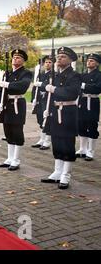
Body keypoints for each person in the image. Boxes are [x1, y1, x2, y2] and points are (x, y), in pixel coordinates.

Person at [40, 47, 81, 189]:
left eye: (63, 56)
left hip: (68, 112)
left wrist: (54, 89)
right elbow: (45, 89)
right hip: (54, 111)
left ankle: (66, 175)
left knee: (67, 143)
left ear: (70, 60)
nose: (59, 58)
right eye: (58, 56)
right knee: (56, 141)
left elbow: (72, 93)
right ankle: (57, 172)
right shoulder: (54, 75)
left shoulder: (74, 76)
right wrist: (46, 109)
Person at [0, 49, 33, 171]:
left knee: (17, 132)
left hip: (18, 104)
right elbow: (1, 91)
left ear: (23, 61)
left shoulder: (26, 73)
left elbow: (22, 87)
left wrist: (7, 85)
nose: (15, 59)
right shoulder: (7, 73)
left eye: (18, 57)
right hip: (7, 104)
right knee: (8, 132)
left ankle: (16, 160)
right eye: (14, 57)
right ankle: (9, 158)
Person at [76, 53, 101, 161]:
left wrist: (84, 86)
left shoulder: (99, 75)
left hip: (93, 101)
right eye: (88, 60)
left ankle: (90, 151)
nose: (89, 62)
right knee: (81, 124)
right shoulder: (83, 74)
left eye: (92, 60)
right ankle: (82, 149)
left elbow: (98, 88)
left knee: (92, 124)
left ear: (97, 63)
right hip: (83, 100)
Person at [31, 56, 54, 150]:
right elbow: (34, 88)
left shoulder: (54, 75)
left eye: (50, 62)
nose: (47, 64)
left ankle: (47, 141)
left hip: (48, 100)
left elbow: (52, 86)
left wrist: (42, 85)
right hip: (40, 100)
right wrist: (33, 98)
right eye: (46, 62)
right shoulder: (40, 74)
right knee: (40, 119)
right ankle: (42, 139)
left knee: (47, 120)